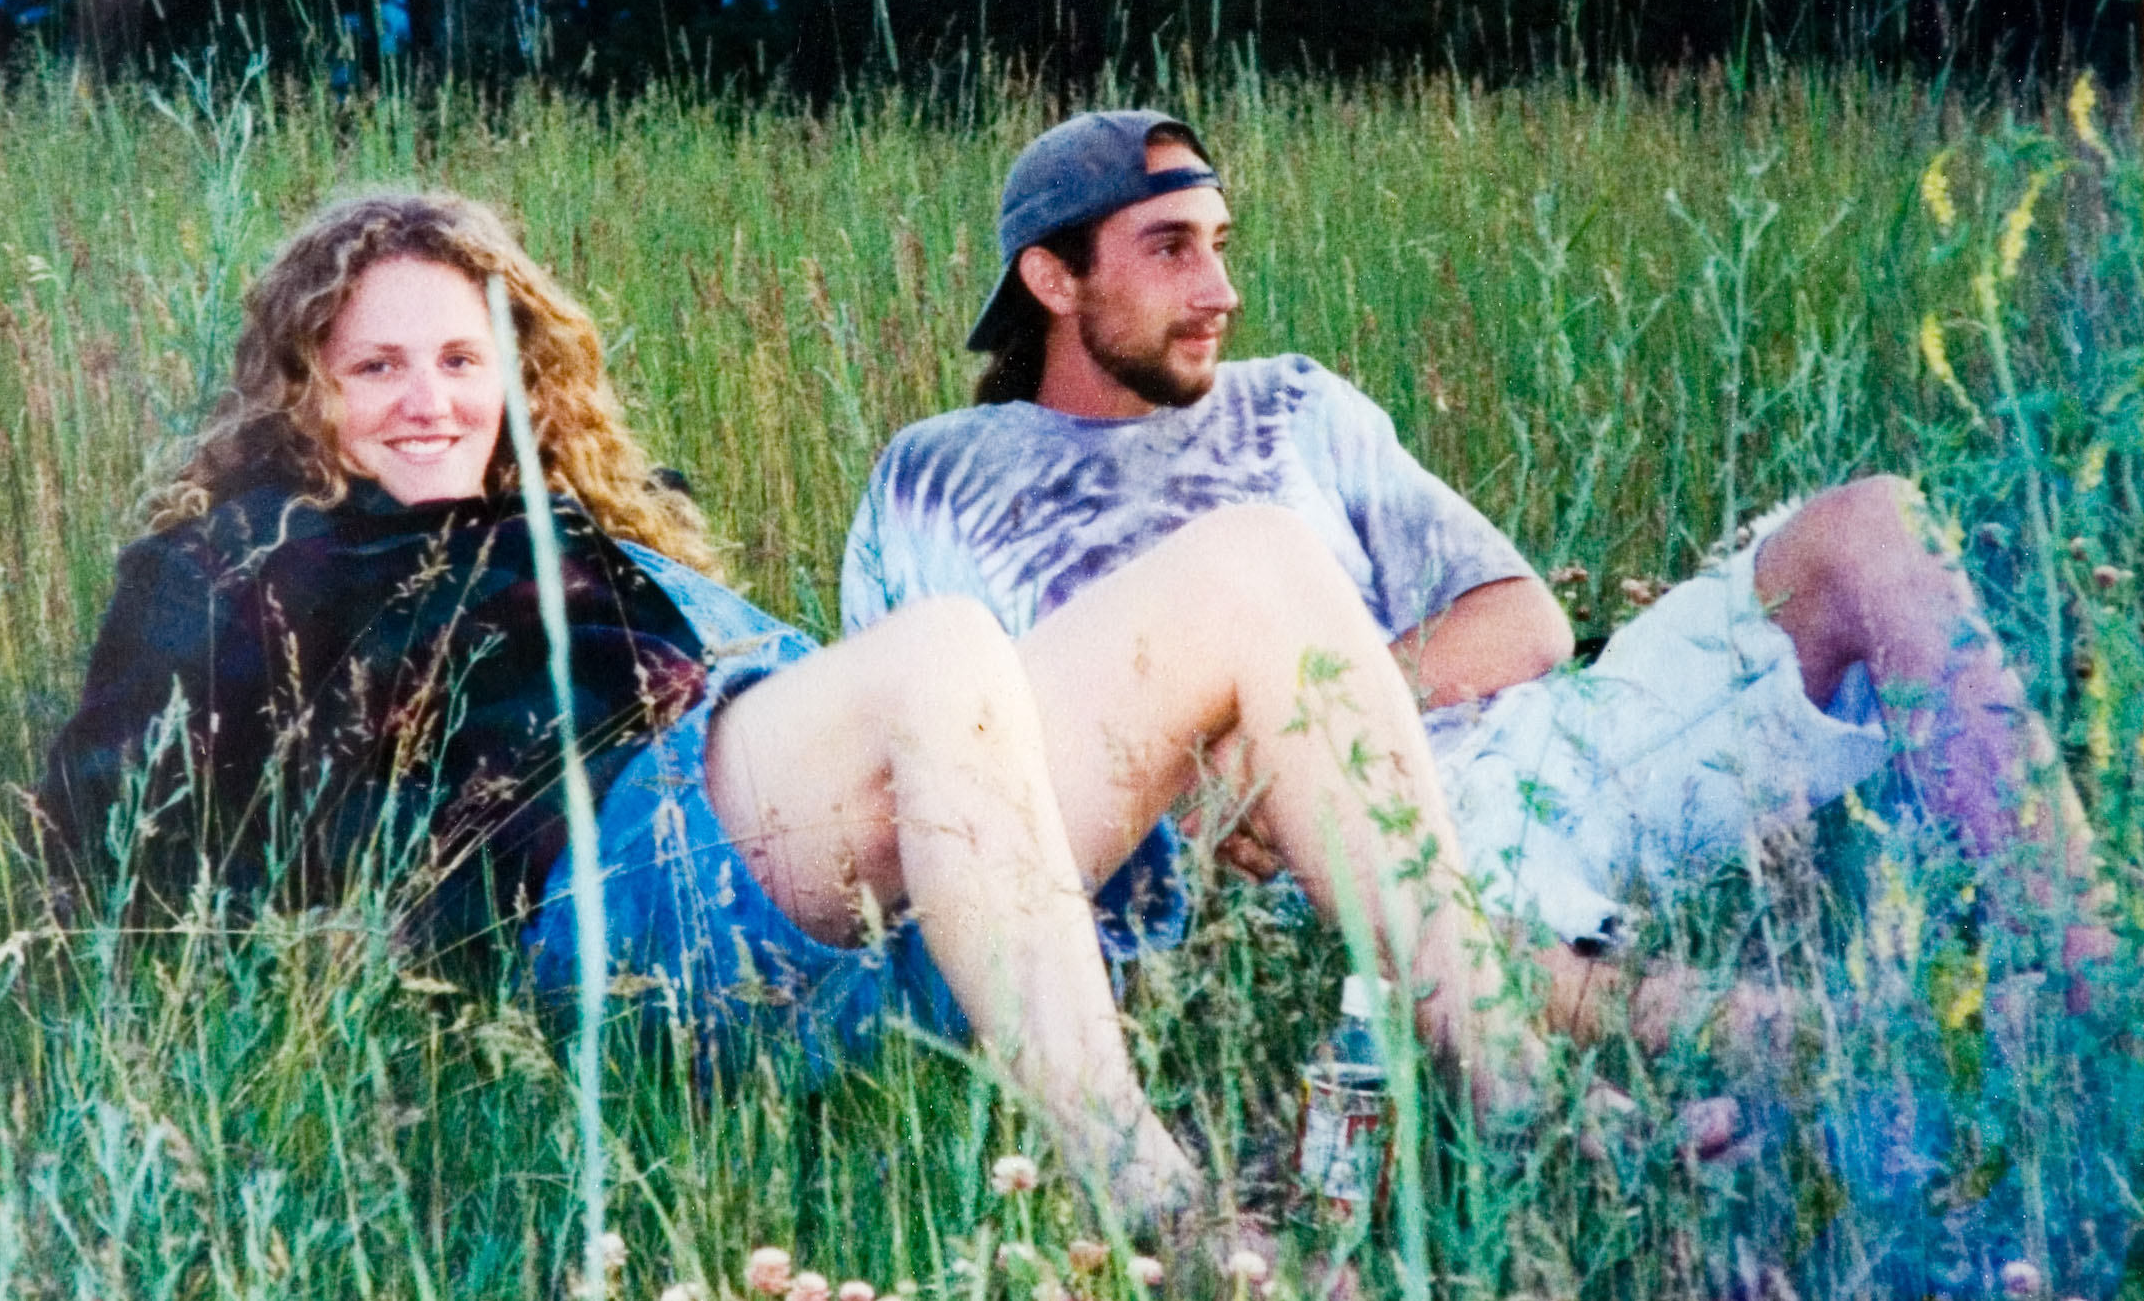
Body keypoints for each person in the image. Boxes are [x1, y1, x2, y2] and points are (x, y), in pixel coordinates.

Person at [39, 189, 1563, 1231]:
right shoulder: (230, 556)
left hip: (820, 874)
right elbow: (108, 820)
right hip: (596, 887)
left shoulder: (578, 535)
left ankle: (1523, 1099)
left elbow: (810, 692)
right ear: (304, 376)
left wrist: (1155, 743)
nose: (428, 398)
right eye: (375, 364)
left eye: (461, 358)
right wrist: (347, 929)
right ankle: (1145, 1195)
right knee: (939, 649)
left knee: (1258, 561)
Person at [841, 111, 2108, 1028]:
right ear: (1052, 276)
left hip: (1539, 757)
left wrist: (1316, 716)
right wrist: (1200, 781)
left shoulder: (1292, 405)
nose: (1221, 286)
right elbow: (926, 757)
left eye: (1221, 241)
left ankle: (2089, 970)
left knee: (1871, 524)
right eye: (1169, 247)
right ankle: (1819, 1046)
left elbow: (1525, 622)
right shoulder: (937, 475)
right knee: (1415, 943)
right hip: (1298, 875)